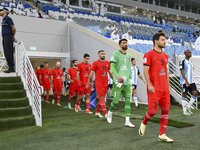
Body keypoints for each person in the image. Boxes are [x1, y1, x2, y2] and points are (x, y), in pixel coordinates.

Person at [139, 32, 173, 143]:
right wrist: (149, 84)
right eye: (163, 40)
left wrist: (168, 86)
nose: (165, 42)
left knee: (165, 110)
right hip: (154, 88)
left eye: (165, 39)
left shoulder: (165, 56)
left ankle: (162, 134)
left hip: (164, 89)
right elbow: (145, 71)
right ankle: (144, 122)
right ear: (156, 41)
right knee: (153, 110)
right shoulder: (148, 55)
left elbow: (166, 72)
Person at [107, 39, 135, 128]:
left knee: (128, 101)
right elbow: (112, 66)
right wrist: (117, 76)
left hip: (127, 83)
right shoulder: (115, 54)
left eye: (126, 43)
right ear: (119, 45)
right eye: (123, 43)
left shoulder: (129, 56)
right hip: (117, 82)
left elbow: (128, 69)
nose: (125, 44)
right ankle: (110, 112)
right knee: (116, 101)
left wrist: (130, 79)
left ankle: (127, 121)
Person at [86, 50, 113, 118]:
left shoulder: (107, 63)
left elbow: (110, 72)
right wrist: (88, 83)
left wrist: (115, 81)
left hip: (105, 83)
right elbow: (91, 74)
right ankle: (106, 114)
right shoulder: (95, 63)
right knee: (101, 98)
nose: (103, 55)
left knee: (102, 98)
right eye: (102, 54)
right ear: (99, 55)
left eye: (104, 54)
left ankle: (97, 112)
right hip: (99, 84)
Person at [180, 50, 198, 115]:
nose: (190, 53)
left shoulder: (190, 61)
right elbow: (182, 71)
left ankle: (188, 107)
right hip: (185, 82)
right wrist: (186, 81)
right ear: (185, 53)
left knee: (195, 93)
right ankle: (184, 111)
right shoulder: (182, 61)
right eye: (188, 52)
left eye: (190, 52)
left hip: (191, 81)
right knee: (184, 95)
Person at [0, 8, 18, 73]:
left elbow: (14, 28)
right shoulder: (3, 19)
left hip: (8, 36)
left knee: (9, 52)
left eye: (1, 11)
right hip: (5, 36)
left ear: (5, 12)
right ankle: (9, 67)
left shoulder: (8, 19)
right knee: (6, 52)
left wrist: (12, 36)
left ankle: (11, 67)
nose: (0, 12)